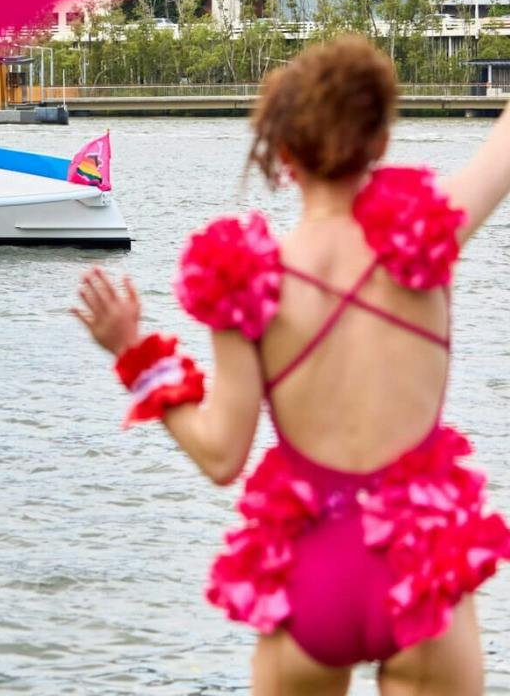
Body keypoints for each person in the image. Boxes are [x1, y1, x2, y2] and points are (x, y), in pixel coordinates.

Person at [71, 37, 510, 693]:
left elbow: (221, 456)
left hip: (315, 572)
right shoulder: (429, 233)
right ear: (380, 145)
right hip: (420, 568)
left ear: (283, 155)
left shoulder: (248, 281)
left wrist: (136, 357)